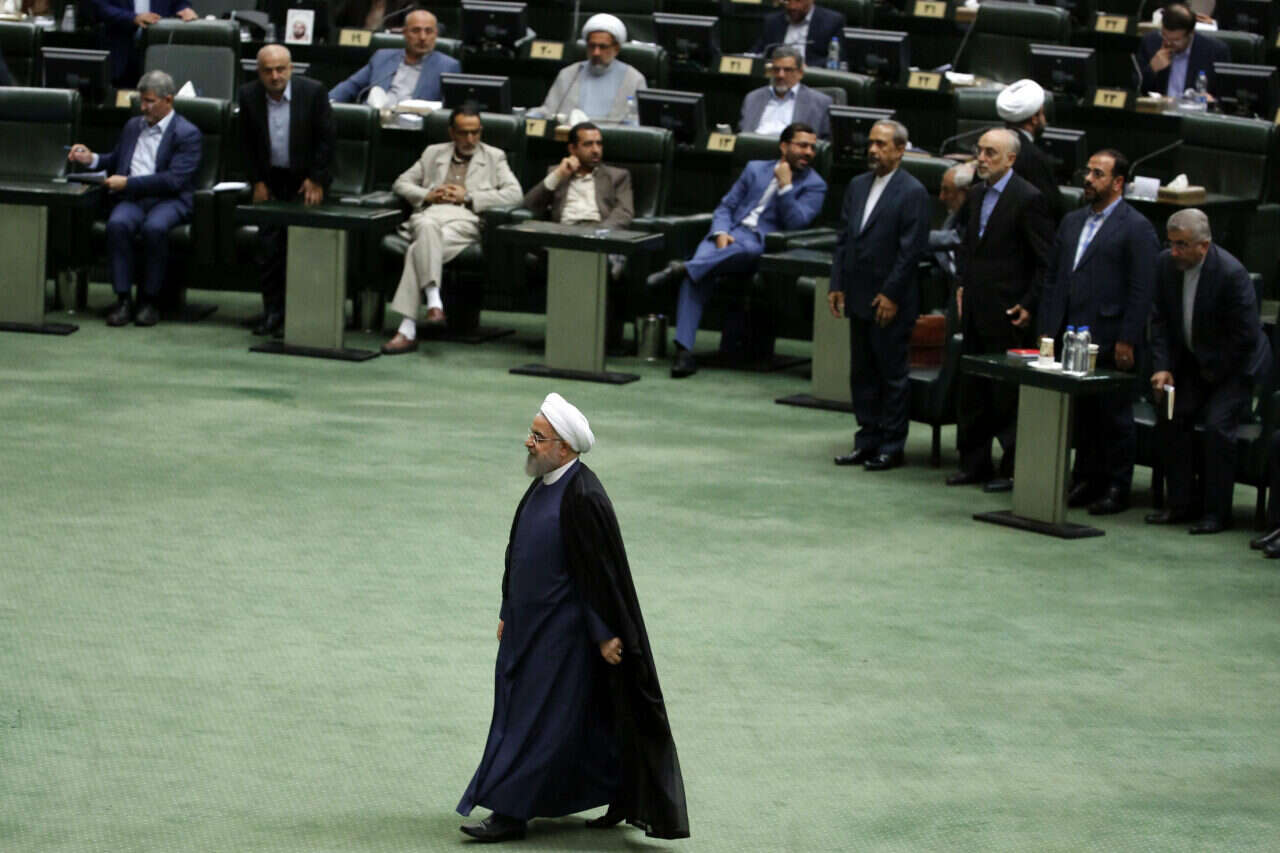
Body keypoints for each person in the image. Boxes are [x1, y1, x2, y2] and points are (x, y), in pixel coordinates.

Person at [458, 393, 690, 843]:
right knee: (564, 725)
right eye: (531, 433)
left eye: (538, 436)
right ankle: (617, 790)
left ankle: (509, 812)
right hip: (526, 630)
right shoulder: (543, 484)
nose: (528, 442)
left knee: (531, 725)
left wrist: (605, 634)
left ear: (564, 447)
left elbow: (600, 574)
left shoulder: (583, 496)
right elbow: (518, 551)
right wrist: (507, 609)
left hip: (561, 640)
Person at [645, 122, 827, 378]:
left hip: (762, 243)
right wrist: (721, 232)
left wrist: (785, 187)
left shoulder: (815, 185)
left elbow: (797, 224)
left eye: (812, 147)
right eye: (802, 145)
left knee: (742, 253)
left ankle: (682, 267)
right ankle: (684, 352)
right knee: (696, 277)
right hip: (728, 235)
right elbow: (726, 207)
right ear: (784, 146)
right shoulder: (755, 169)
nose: (808, 152)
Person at [1038, 149, 1159, 515]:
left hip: (1109, 334)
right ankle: (1086, 479)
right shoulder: (1072, 221)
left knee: (1113, 415)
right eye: (1087, 172)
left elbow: (1141, 289)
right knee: (1083, 413)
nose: (1088, 180)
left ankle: (1117, 486)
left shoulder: (1136, 227)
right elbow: (1055, 277)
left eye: (1097, 174)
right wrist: (1048, 329)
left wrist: (1128, 338)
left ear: (1118, 182)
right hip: (1070, 331)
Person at [1146, 209, 1271, 534]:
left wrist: (1211, 372)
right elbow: (1159, 321)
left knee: (1217, 427)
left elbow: (1245, 337)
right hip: (1192, 364)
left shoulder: (1231, 274)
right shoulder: (1165, 265)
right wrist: (1163, 367)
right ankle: (1181, 503)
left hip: (1234, 369)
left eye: (1182, 245)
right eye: (1171, 243)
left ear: (1203, 246)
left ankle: (1216, 513)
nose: (1174, 252)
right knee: (1171, 414)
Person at [947, 128, 1054, 492]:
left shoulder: (1028, 199)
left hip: (1008, 312)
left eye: (990, 152)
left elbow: (1045, 261)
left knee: (1006, 395)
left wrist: (1029, 304)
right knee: (972, 390)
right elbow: (968, 249)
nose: (981, 158)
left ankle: (1011, 468)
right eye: (979, 151)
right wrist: (961, 285)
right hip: (975, 307)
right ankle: (973, 463)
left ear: (1011, 159)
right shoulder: (977, 194)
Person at [828, 120, 931, 471]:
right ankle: (866, 440)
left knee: (891, 375)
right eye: (871, 143)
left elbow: (910, 252)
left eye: (881, 144)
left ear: (900, 150)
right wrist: (837, 283)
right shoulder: (857, 185)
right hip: (858, 294)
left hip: (890, 301)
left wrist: (891, 294)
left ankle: (891, 445)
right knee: (862, 373)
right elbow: (844, 239)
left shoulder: (913, 191)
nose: (872, 150)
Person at [380, 105, 522, 354]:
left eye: (475, 132)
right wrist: (428, 194)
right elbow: (401, 183)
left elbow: (515, 194)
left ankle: (411, 325)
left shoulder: (494, 156)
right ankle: (432, 303)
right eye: (464, 133)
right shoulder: (433, 153)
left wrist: (469, 197)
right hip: (430, 215)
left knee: (419, 246)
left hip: (463, 221)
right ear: (452, 133)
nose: (470, 139)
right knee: (426, 229)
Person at [67, 70, 201, 327]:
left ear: (168, 100)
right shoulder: (133, 126)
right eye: (142, 101)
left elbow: (173, 180)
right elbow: (116, 160)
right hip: (134, 198)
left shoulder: (187, 133)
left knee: (155, 228)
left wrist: (128, 183)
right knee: (117, 224)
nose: (143, 107)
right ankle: (123, 299)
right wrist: (91, 158)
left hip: (169, 200)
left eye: (150, 101)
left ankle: (149, 301)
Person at [238, 44, 335, 337]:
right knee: (268, 249)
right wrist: (257, 181)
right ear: (259, 72)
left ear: (291, 69)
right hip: (271, 181)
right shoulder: (249, 95)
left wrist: (316, 179)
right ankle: (273, 312)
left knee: (302, 245)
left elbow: (327, 139)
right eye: (268, 71)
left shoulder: (313, 92)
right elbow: (245, 144)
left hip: (305, 180)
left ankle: (299, 314)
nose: (275, 76)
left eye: (281, 69)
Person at [521, 121, 635, 347]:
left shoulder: (618, 176)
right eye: (588, 144)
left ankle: (588, 338)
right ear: (572, 149)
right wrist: (558, 176)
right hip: (563, 236)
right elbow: (528, 206)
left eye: (599, 144)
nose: (596, 150)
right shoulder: (557, 173)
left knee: (594, 260)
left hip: (600, 236)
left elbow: (624, 213)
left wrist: (597, 234)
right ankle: (564, 336)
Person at [328, 10, 460, 105]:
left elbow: (450, 107)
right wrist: (327, 102)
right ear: (405, 33)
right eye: (416, 31)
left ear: (436, 34)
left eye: (429, 31)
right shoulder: (382, 57)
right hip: (375, 120)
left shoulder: (448, 66)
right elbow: (351, 86)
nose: (422, 37)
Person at [534, 14, 645, 124]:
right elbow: (547, 112)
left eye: (603, 47)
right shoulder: (569, 74)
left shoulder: (634, 79)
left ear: (616, 48)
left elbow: (638, 122)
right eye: (592, 46)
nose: (596, 53)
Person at [86, 0, 197, 87]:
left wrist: (185, 10)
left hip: (158, 54)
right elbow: (99, 7)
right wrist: (133, 18)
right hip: (120, 54)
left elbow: (179, 3)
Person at [996, 78, 1062, 221]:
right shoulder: (1034, 157)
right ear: (1034, 119)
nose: (1044, 120)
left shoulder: (991, 149)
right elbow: (1053, 207)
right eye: (1042, 114)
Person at [738, 45, 832, 139]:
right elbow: (742, 134)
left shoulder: (819, 102)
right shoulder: (753, 98)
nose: (780, 75)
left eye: (787, 70)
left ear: (800, 73)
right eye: (776, 69)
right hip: (756, 146)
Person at [1137, 2, 1229, 97]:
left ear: (1191, 34)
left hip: (1194, 106)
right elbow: (1136, 88)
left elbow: (1225, 95)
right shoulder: (1151, 42)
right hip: (1159, 105)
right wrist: (1152, 69)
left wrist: (1211, 100)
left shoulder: (1214, 51)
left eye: (1176, 40)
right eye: (1164, 35)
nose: (1168, 43)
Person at [752, 0, 846, 68]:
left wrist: (808, 67)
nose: (792, 6)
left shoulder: (832, 21)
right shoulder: (772, 21)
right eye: (788, 1)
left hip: (811, 78)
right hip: (776, 74)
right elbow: (757, 52)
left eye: (798, 0)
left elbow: (837, 59)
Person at [929, 162, 973, 286]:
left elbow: (957, 238)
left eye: (946, 190)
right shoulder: (956, 213)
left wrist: (916, 236)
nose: (941, 197)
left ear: (964, 193)